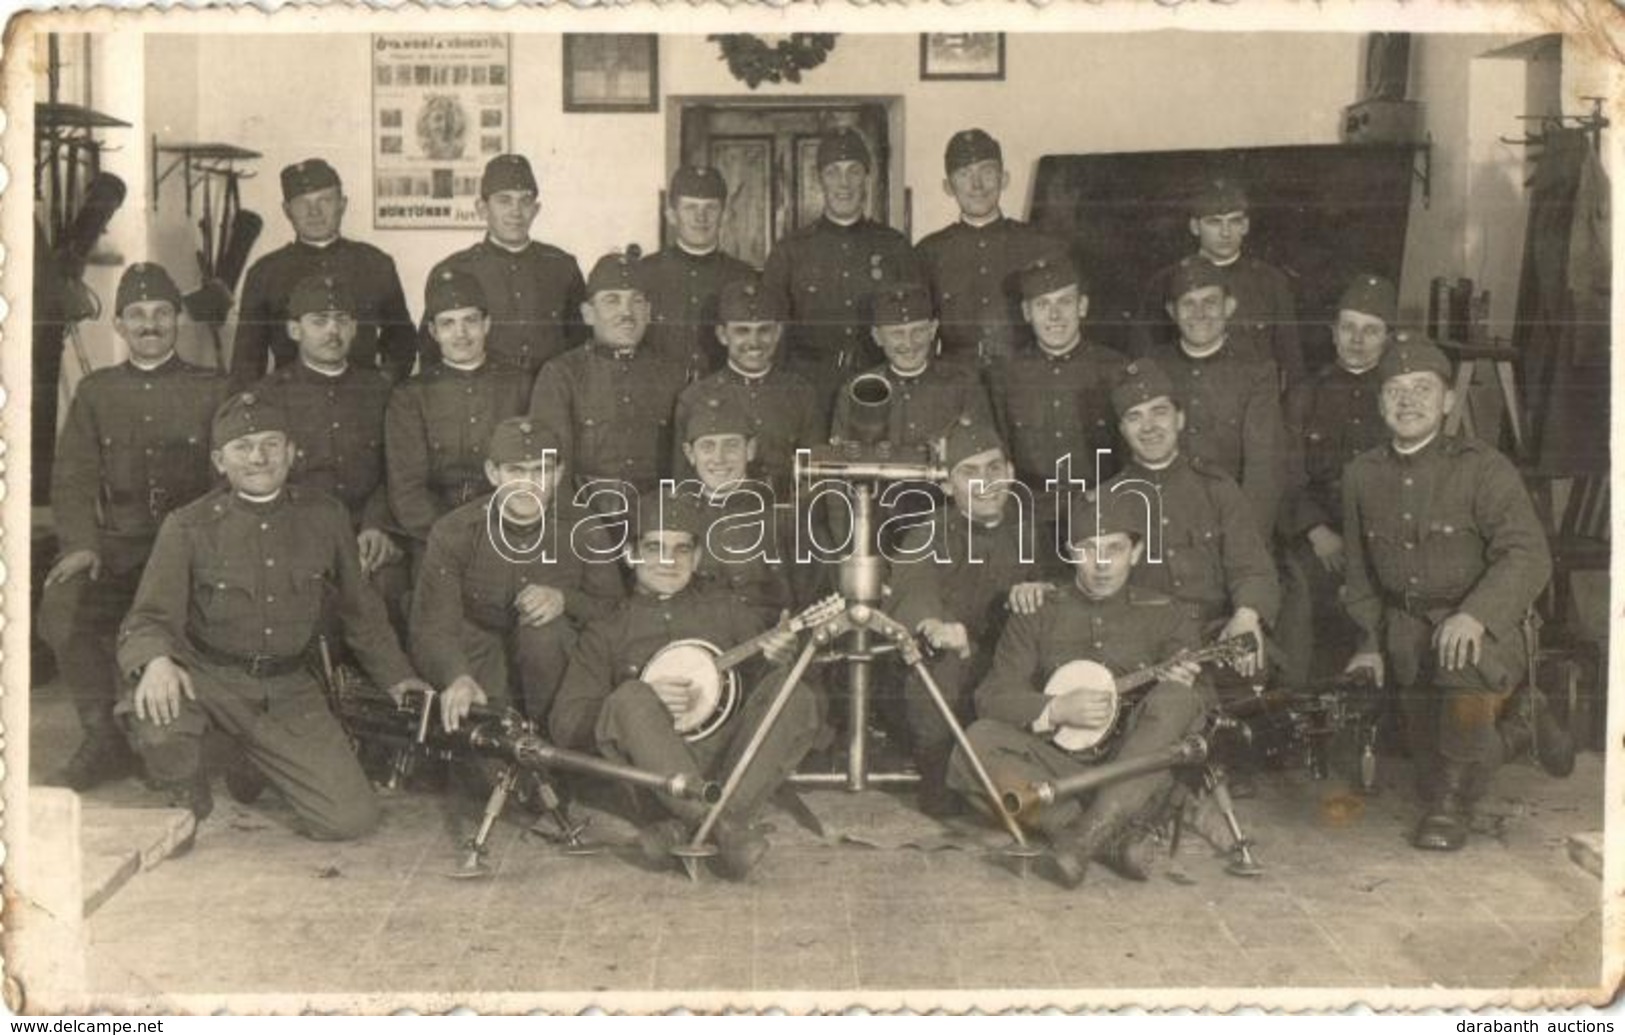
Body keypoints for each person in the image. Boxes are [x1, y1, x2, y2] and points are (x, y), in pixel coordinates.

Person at [116, 392, 431, 838]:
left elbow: (361, 612)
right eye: (243, 447)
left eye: (270, 444)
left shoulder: (325, 517)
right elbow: (147, 617)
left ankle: (249, 757)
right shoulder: (187, 526)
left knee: (349, 820)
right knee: (159, 713)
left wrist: (399, 677)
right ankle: (186, 784)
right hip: (209, 679)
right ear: (219, 461)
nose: (258, 457)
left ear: (291, 451)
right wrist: (156, 662)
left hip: (287, 689)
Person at [1341, 340, 1552, 852]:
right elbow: (1360, 574)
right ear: (1380, 402)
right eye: (1395, 389)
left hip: (1487, 626)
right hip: (1408, 631)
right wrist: (1370, 641)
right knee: (1431, 764)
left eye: (1423, 389)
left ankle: (1451, 809)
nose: (1408, 400)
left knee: (1453, 755)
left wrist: (1475, 616)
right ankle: (1522, 728)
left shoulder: (1483, 467)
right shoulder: (1362, 474)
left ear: (1447, 402)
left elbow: (1529, 555)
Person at [548, 491, 823, 880]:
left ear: (696, 558)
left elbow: (766, 702)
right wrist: (641, 702)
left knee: (793, 692)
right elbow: (566, 722)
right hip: (654, 782)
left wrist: (779, 658)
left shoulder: (727, 609)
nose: (668, 560)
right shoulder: (607, 629)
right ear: (632, 554)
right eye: (654, 547)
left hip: (727, 766)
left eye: (681, 549)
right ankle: (725, 829)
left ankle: (688, 829)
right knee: (630, 698)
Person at [947, 490, 1206, 887]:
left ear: (1136, 553)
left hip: (1136, 766)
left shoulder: (1167, 615)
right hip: (1059, 763)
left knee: (1180, 699)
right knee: (976, 742)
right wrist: (1055, 709)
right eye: (1088, 549)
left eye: (1115, 549)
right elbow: (991, 698)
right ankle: (1112, 838)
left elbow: (1193, 716)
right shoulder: (1038, 611)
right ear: (1070, 553)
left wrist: (1181, 686)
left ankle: (1081, 841)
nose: (1101, 564)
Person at [38, 263, 227, 790]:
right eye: (137, 316)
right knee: (63, 602)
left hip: (190, 552)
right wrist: (80, 545)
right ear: (118, 325)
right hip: (119, 550)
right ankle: (102, 737)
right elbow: (73, 479)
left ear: (178, 322)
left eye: (162, 314)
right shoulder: (97, 392)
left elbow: (226, 484)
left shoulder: (212, 389)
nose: (150, 325)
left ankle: (183, 733)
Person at [413, 418, 623, 728]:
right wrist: (456, 676)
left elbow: (614, 611)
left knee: (543, 633)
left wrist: (567, 600)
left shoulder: (585, 528)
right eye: (515, 471)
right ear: (492, 473)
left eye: (541, 471)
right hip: (480, 663)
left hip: (554, 673)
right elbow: (433, 626)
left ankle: (555, 740)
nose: (528, 484)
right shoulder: (455, 531)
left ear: (559, 473)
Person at [885, 415, 1047, 815]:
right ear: (947, 484)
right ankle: (949, 783)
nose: (986, 481)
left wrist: (1043, 590)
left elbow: (1074, 586)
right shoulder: (928, 534)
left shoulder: (1037, 532)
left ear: (1010, 473)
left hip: (1017, 672)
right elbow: (914, 593)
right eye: (969, 472)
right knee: (938, 669)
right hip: (955, 672)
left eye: (994, 468)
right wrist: (936, 626)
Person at [1098, 357, 1278, 685]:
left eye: (1159, 411)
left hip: (1217, 637)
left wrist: (1246, 615)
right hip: (1145, 652)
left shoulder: (1217, 487)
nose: (1149, 427)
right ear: (1122, 429)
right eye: (1134, 417)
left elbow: (1252, 568)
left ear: (1180, 419)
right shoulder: (1105, 502)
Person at [253, 273, 407, 613]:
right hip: (294, 534)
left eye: (341, 321)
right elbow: (255, 480)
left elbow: (396, 473)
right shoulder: (267, 397)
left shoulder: (380, 391)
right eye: (319, 321)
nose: (332, 332)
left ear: (354, 328)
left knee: (389, 587)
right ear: (295, 330)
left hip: (364, 533)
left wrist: (376, 526)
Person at [1276, 274, 1396, 685]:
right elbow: (1285, 468)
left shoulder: (1400, 395)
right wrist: (1315, 529)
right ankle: (1296, 706)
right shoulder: (1305, 393)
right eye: (1348, 328)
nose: (1357, 340)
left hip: (1386, 532)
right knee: (1301, 599)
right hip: (1320, 529)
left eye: (1371, 330)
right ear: (1333, 333)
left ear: (1388, 338)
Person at [761, 128, 920, 422]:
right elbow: (773, 330)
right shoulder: (791, 251)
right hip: (809, 387)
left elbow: (916, 324)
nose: (844, 183)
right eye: (833, 172)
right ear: (819, 179)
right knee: (808, 463)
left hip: (879, 382)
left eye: (854, 171)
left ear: (867, 178)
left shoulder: (894, 246)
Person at [229, 158, 416, 389]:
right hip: (291, 404)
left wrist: (383, 385)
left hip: (362, 403)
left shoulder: (375, 264)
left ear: (342, 204)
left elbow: (402, 340)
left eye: (325, 200)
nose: (314, 212)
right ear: (287, 211)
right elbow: (247, 360)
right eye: (302, 203)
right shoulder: (266, 272)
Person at [991, 256, 1125, 571]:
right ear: (1027, 313)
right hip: (1030, 519)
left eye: (1065, 302)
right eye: (1042, 305)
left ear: (1083, 306)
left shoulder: (1115, 369)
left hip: (1100, 518)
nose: (1054, 315)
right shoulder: (1005, 376)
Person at [528, 249, 688, 505]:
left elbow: (683, 469)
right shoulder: (561, 375)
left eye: (636, 301)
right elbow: (550, 467)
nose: (626, 313)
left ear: (648, 312)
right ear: (588, 314)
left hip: (654, 522)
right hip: (584, 519)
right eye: (612, 300)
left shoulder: (674, 376)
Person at [1143, 256, 1286, 543]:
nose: (1199, 313)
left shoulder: (1256, 372)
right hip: (1163, 524)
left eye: (1210, 302)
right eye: (1188, 304)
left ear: (1229, 307)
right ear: (1172, 312)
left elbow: (1263, 470)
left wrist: (1246, 545)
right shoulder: (1152, 368)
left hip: (1230, 526)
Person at [385, 269, 529, 544]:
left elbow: (534, 470)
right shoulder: (410, 396)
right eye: (448, 323)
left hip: (508, 527)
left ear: (487, 324)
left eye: (470, 321)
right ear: (433, 331)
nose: (460, 333)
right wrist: (454, 537)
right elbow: (407, 490)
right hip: (434, 534)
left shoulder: (520, 385)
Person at [423, 154, 586, 378]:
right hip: (483, 402)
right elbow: (431, 356)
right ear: (482, 208)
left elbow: (581, 345)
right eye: (504, 200)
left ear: (536, 209)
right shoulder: (454, 270)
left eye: (525, 201)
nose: (516, 212)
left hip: (550, 398)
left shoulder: (562, 266)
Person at [1134, 176, 1302, 390]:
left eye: (1234, 221)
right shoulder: (1165, 282)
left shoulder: (1270, 282)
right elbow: (1143, 360)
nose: (1225, 232)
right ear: (1195, 227)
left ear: (1246, 226)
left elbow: (1291, 362)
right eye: (1214, 222)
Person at [914, 129, 1062, 371]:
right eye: (964, 174)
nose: (977, 185)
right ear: (948, 186)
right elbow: (920, 334)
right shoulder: (929, 252)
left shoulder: (1038, 244)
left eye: (987, 171)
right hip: (956, 383)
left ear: (1004, 178)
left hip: (1024, 379)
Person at [671, 277, 823, 499]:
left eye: (764, 330)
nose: (754, 342)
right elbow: (683, 482)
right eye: (742, 331)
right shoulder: (695, 396)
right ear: (723, 335)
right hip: (717, 519)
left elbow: (815, 477)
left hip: (786, 518)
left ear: (778, 333)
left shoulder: (801, 394)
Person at [829, 282, 994, 452]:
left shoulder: (964, 386)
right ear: (877, 337)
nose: (909, 343)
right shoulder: (856, 390)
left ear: (933, 330)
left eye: (918, 331)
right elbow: (840, 459)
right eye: (897, 333)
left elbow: (984, 455)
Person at [675, 403, 793, 628]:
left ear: (750, 450)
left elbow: (814, 605)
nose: (719, 459)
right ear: (690, 454)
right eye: (707, 447)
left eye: (731, 446)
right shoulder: (672, 517)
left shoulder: (785, 519)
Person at [638, 165, 756, 381]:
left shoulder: (744, 277)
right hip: (657, 396)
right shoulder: (645, 273)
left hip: (722, 398)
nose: (701, 217)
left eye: (710, 208)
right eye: (690, 207)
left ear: (726, 215)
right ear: (671, 215)